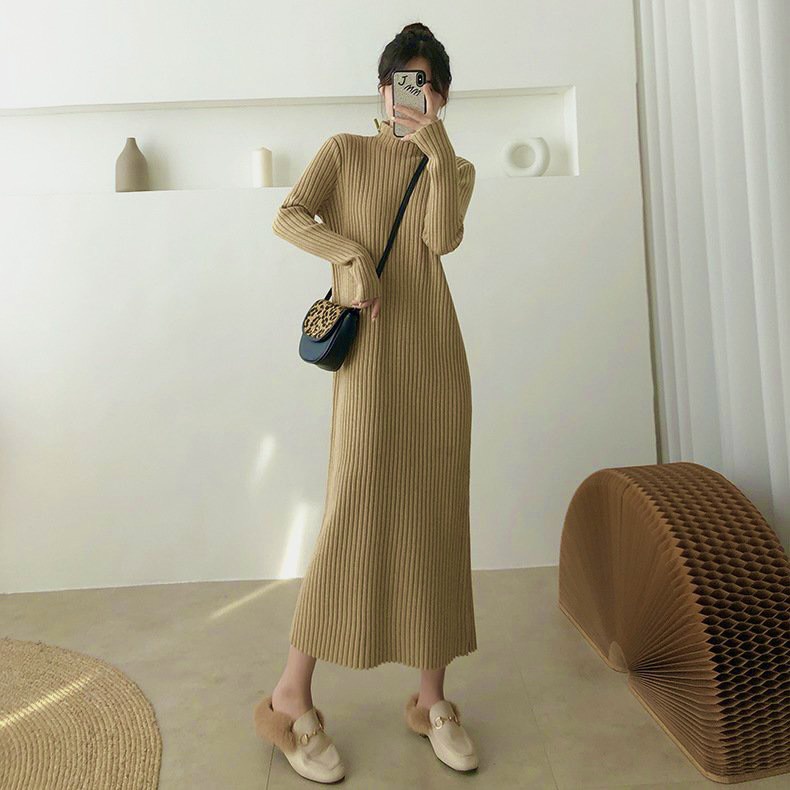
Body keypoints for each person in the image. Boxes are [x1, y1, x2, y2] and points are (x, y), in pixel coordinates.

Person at [253, 22, 478, 783]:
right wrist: (348, 255)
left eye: (429, 85)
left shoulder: (455, 166)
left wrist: (434, 149)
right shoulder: (344, 151)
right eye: (405, 82)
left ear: (442, 96)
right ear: (383, 88)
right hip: (372, 361)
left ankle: (432, 699)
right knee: (353, 511)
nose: (417, 95)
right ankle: (290, 696)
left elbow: (441, 239)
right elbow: (289, 214)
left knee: (437, 516)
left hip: (436, 361)